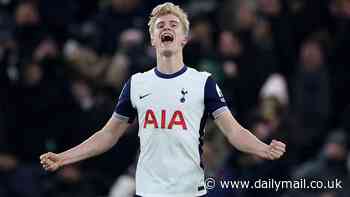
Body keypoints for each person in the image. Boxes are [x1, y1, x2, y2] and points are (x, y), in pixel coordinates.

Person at [40, 2, 286, 197]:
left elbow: (233, 132)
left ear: (184, 39)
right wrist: (64, 157)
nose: (166, 28)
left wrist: (262, 148)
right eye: (160, 25)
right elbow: (108, 135)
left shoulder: (203, 83)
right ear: (153, 39)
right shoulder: (136, 84)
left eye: (173, 24)